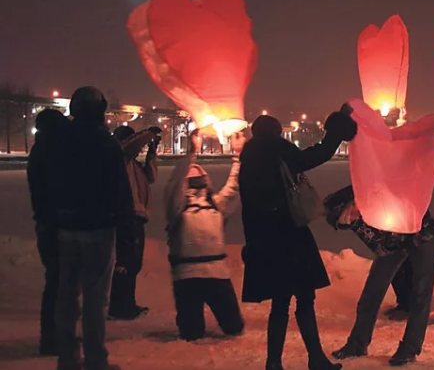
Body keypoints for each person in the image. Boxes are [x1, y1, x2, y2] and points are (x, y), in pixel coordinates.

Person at [239, 112, 357, 370]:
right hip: (290, 235)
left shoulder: (248, 161)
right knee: (304, 297)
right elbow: (317, 155)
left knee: (280, 303)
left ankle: (274, 363)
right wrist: (336, 132)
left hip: (265, 241)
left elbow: (246, 210)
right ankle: (315, 359)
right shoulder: (280, 152)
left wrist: (252, 244)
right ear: (277, 133)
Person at [332, 124, 434, 367]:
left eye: (349, 215)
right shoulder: (364, 213)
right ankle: (357, 343)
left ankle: (410, 347)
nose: (351, 219)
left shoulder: (373, 187)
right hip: (393, 239)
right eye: (348, 220)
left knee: (421, 291)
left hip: (421, 233)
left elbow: (422, 157)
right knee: (373, 290)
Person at [53, 86, 133, 370]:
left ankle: (67, 357)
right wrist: (127, 235)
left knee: (66, 294)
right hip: (99, 228)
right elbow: (120, 191)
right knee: (95, 298)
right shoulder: (106, 144)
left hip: (66, 227)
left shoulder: (61, 142)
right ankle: (95, 359)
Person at [164, 129, 245, 341]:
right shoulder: (177, 207)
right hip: (187, 276)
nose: (193, 172)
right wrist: (192, 152)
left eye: (197, 172)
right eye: (189, 173)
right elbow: (175, 182)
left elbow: (234, 187)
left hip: (216, 274)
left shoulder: (215, 204)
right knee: (191, 333)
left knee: (234, 327)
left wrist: (238, 156)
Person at [27, 108, 70, 355]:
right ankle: (53, 337)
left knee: (56, 280)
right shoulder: (51, 152)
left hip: (47, 224)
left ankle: (53, 335)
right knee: (59, 281)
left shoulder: (41, 150)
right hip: (55, 224)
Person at [108, 125, 161, 320]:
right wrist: (148, 133)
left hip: (137, 216)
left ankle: (126, 303)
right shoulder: (119, 158)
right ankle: (119, 306)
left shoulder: (134, 165)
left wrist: (152, 151)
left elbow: (151, 176)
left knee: (134, 263)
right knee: (126, 262)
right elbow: (131, 146)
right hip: (127, 216)